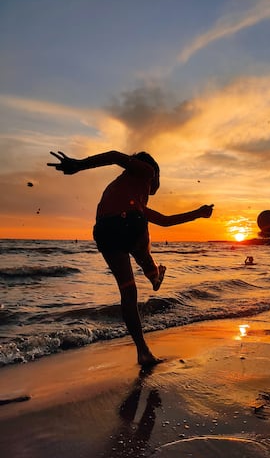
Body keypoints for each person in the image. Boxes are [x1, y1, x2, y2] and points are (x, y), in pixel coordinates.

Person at [48, 150, 214, 367]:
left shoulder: (131, 199)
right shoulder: (147, 170)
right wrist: (79, 165)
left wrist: (198, 213)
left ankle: (143, 351)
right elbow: (116, 156)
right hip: (126, 224)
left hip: (104, 232)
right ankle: (153, 273)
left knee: (128, 292)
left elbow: (165, 220)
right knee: (139, 231)